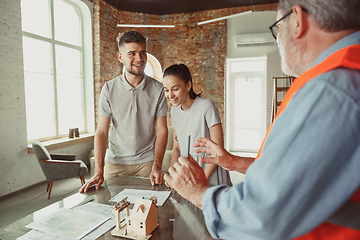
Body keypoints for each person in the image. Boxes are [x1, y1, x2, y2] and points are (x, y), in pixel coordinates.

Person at [164, 0, 360, 239]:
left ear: (297, 20)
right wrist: (234, 161)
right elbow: (295, 174)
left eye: (278, 27)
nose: (278, 39)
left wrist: (198, 192)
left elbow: (258, 216)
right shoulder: (344, 78)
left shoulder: (332, 89)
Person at [80, 31, 168, 193]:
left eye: (143, 53)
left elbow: (162, 130)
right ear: (120, 57)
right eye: (132, 53)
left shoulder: (158, 89)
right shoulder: (109, 89)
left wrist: (157, 166)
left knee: (148, 212)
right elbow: (102, 131)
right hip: (115, 163)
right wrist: (99, 170)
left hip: (146, 163)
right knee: (113, 212)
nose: (139, 59)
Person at [162, 63, 232, 186]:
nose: (170, 95)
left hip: (210, 171)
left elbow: (218, 148)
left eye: (175, 89)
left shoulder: (206, 106)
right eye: (166, 90)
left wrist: (202, 180)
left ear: (188, 85)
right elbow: (177, 148)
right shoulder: (174, 111)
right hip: (189, 174)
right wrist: (174, 176)